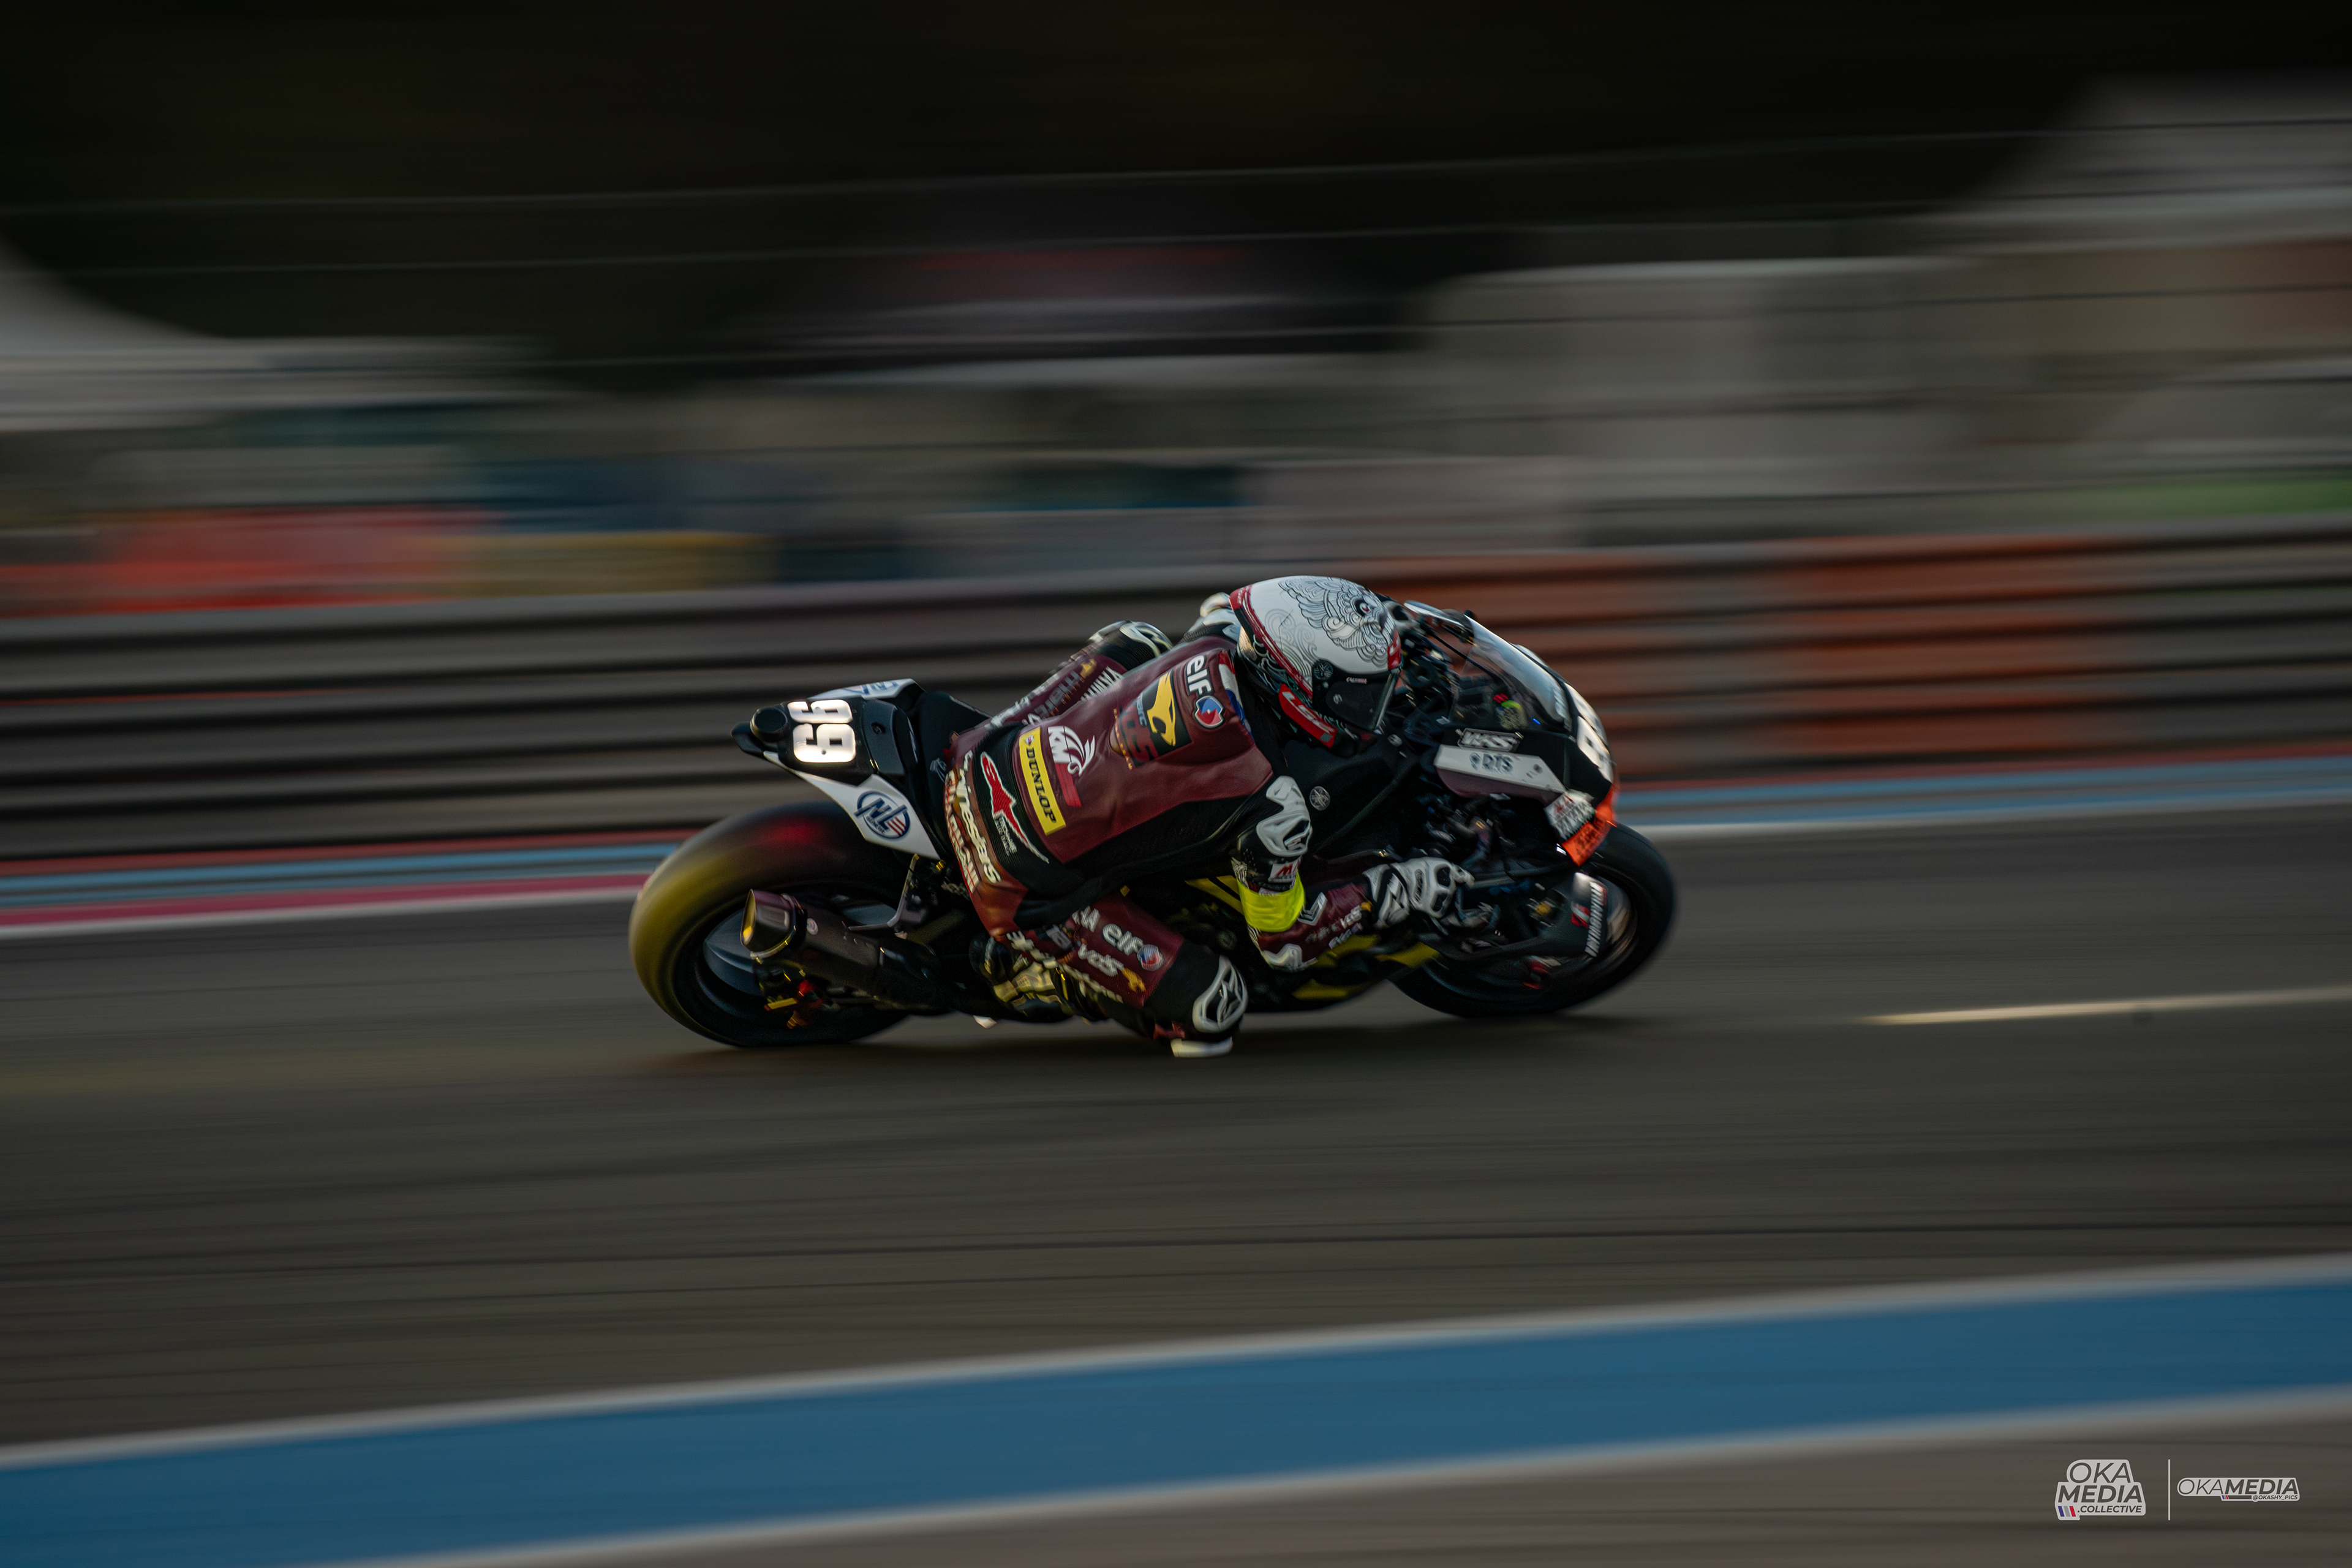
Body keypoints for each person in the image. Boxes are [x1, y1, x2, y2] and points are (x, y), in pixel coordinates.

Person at [940, 575, 1461, 1057]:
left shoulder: (1222, 635)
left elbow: (1226, 607)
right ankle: (1026, 976)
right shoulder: (1275, 807)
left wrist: (1377, 625)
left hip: (984, 757)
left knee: (1138, 639)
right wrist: (1398, 889)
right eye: (1357, 696)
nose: (1370, 711)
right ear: (1296, 682)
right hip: (1019, 880)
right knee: (1215, 1006)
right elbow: (1285, 941)